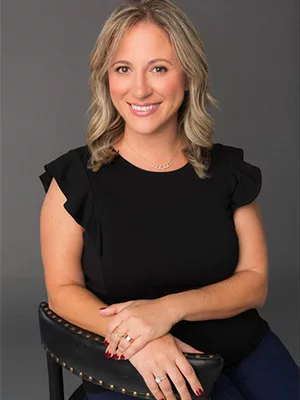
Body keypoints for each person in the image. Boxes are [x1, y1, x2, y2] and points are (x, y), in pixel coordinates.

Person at [39, 0, 299, 399]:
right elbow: (62, 290)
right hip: (135, 363)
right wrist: (140, 338)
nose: (139, 88)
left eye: (158, 68)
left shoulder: (228, 171)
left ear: (189, 75)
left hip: (243, 347)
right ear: (106, 78)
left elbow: (254, 283)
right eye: (123, 68)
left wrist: (167, 310)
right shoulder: (75, 179)